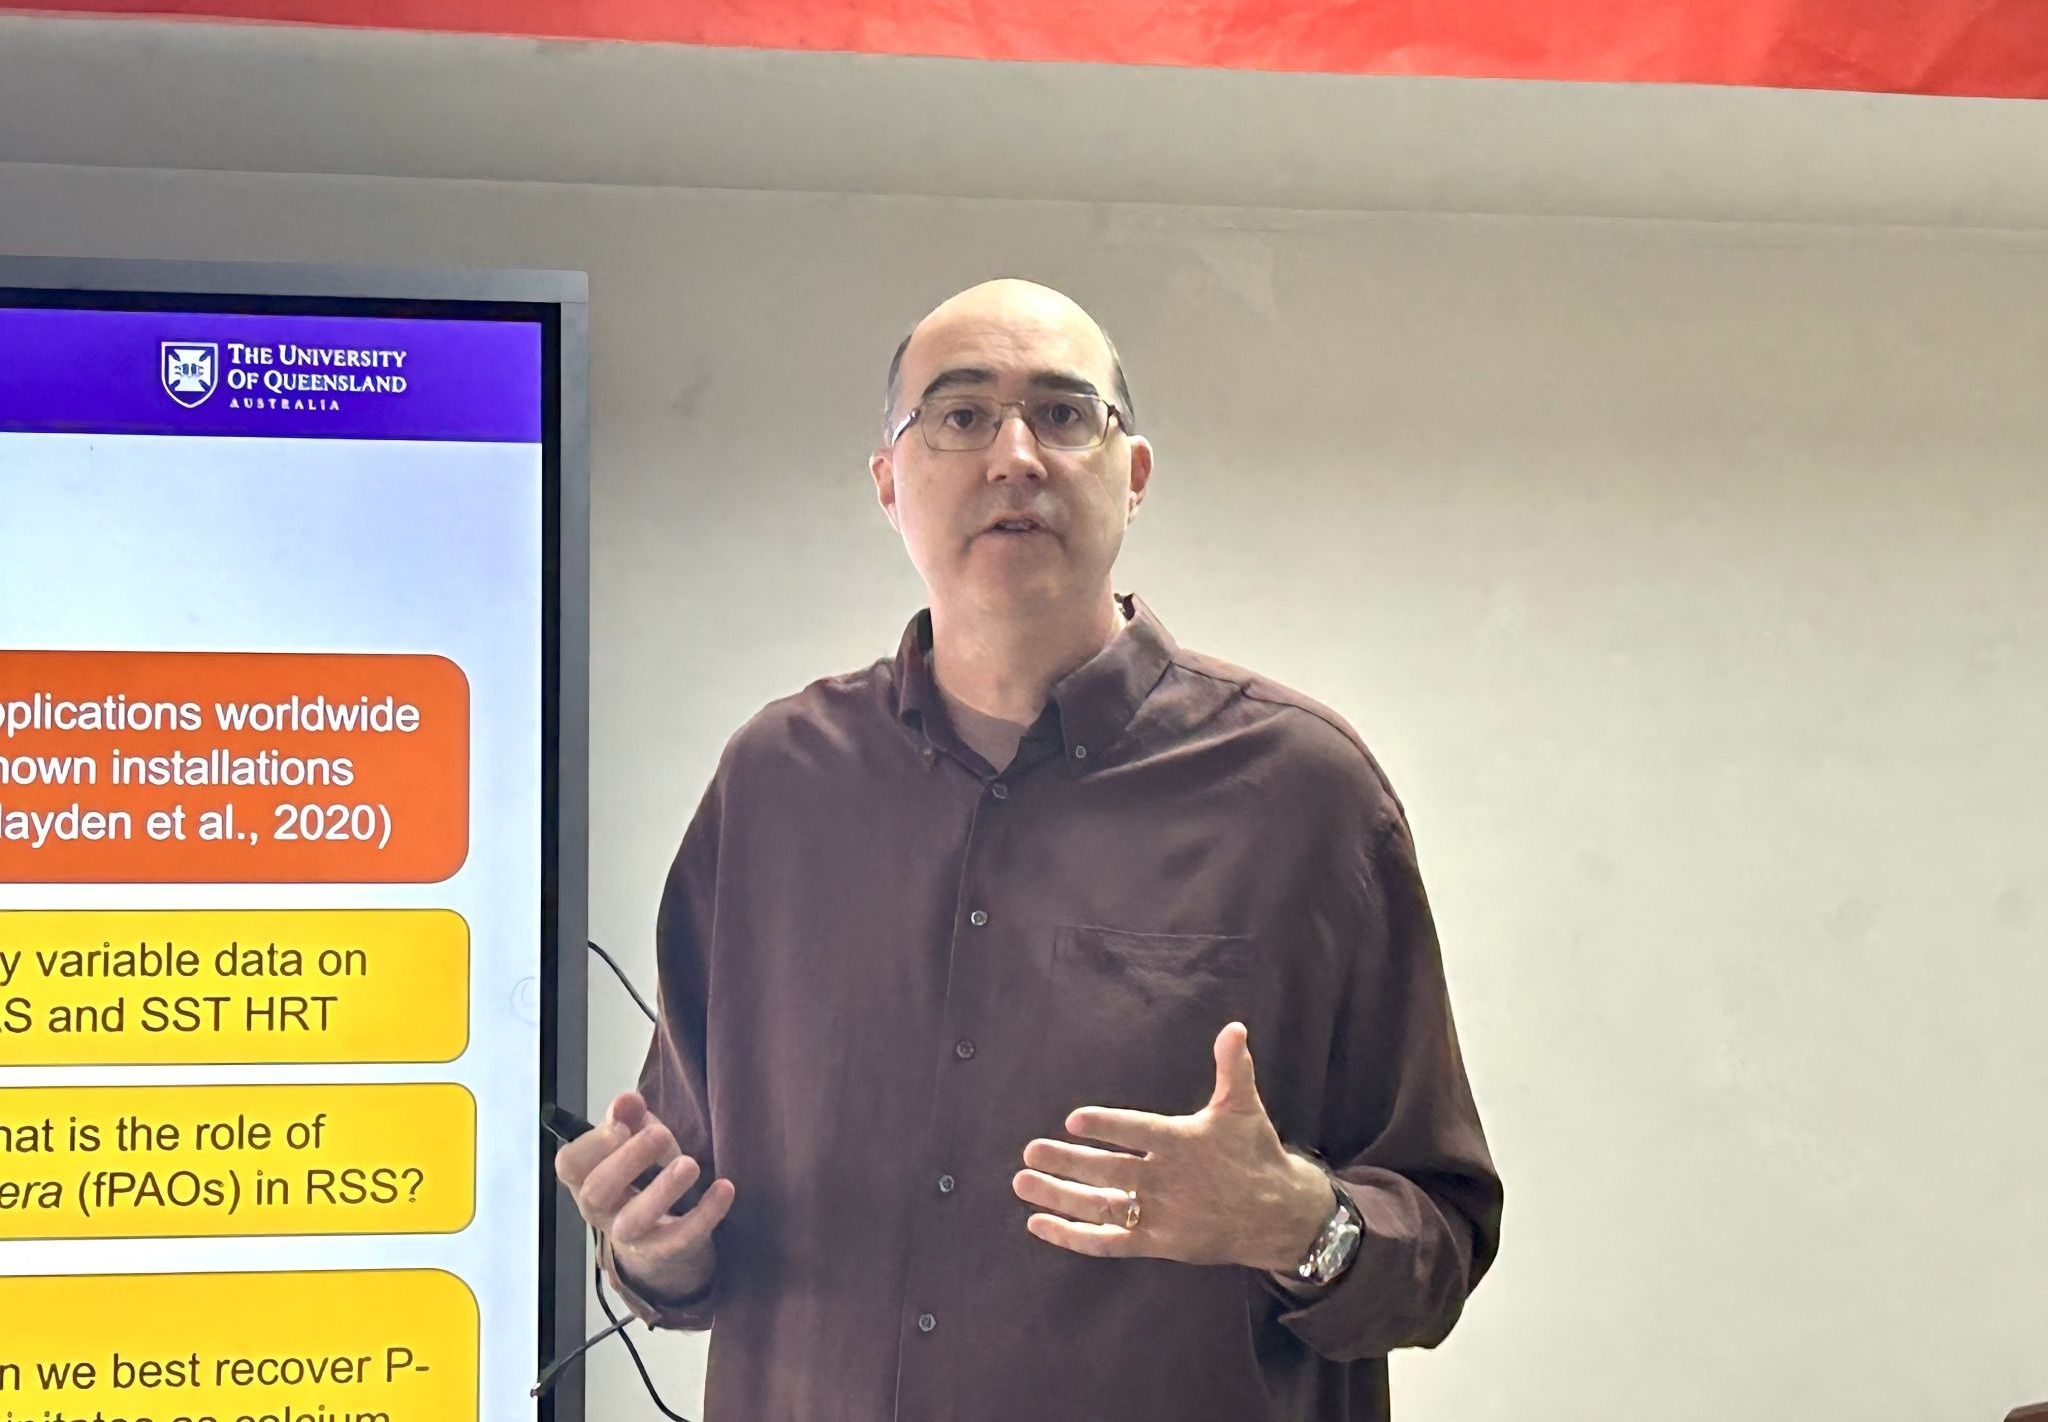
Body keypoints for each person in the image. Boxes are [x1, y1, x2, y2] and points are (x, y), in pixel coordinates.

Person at [555, 278, 1503, 1420]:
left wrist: (1296, 1224)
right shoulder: (774, 786)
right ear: (888, 484)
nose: (1014, 456)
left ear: (1132, 475)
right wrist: (649, 1248)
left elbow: (1440, 1240)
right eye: (960, 415)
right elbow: (695, 1228)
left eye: (1062, 414)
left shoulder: (1303, 794)